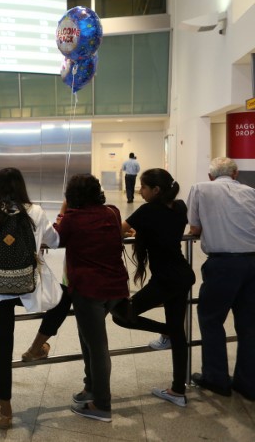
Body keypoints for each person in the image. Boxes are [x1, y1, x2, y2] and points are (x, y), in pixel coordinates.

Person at [0, 168, 59, 429]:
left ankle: (4, 408)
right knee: (63, 298)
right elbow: (55, 239)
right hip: (27, 287)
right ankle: (39, 344)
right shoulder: (35, 211)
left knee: (1, 348)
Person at [109, 168, 195, 407]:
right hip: (182, 275)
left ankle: (167, 331)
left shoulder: (147, 211)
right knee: (179, 331)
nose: (140, 190)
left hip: (166, 279)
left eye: (143, 187)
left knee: (121, 314)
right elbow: (165, 231)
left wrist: (138, 228)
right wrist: (143, 230)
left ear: (156, 190)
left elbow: (118, 231)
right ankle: (178, 390)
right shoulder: (179, 208)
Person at [55, 174, 128, 422]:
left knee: (97, 346)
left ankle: (102, 404)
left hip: (88, 290)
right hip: (115, 287)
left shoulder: (72, 220)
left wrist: (63, 210)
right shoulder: (112, 212)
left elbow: (55, 238)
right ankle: (91, 387)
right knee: (88, 337)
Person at [186, 157, 255, 401]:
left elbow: (194, 228)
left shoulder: (200, 189)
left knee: (211, 319)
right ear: (235, 174)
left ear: (210, 176)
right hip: (252, 262)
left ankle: (216, 378)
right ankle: (248, 383)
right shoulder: (251, 192)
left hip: (223, 263)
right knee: (249, 324)